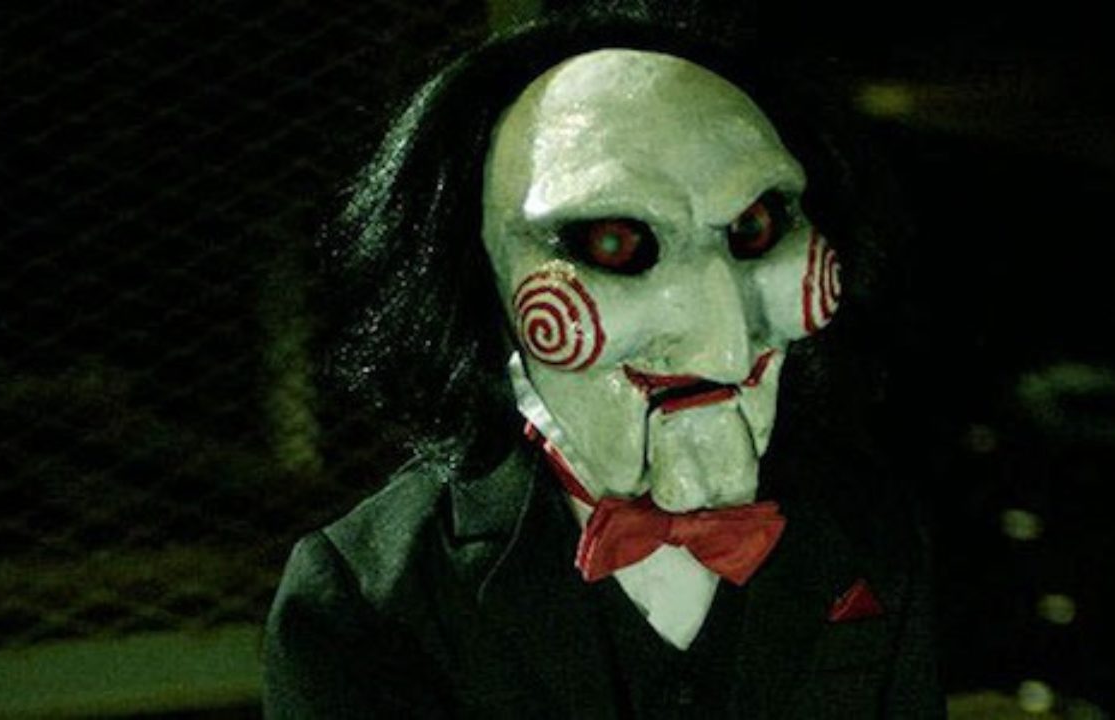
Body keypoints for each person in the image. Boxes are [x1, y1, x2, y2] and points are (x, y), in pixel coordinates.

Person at [264, 13, 942, 718]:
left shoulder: (866, 528)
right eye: (616, 242)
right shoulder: (368, 602)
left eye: (753, 228)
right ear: (475, 274)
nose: (724, 348)